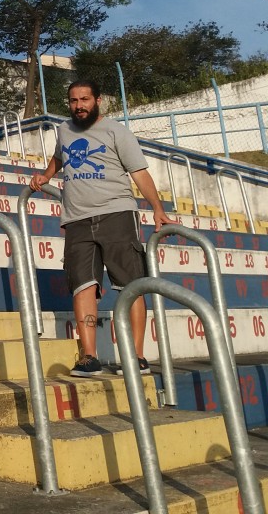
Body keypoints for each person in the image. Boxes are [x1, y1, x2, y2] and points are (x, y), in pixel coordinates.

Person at [31, 79, 174, 377]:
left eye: (84, 99)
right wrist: (45, 176)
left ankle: (136, 356)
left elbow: (139, 173)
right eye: (73, 101)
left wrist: (158, 209)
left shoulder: (116, 131)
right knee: (83, 286)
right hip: (76, 220)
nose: (79, 106)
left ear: (97, 100)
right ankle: (89, 357)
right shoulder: (64, 130)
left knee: (130, 284)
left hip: (116, 214)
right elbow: (60, 157)